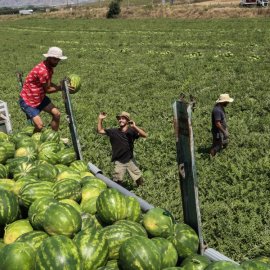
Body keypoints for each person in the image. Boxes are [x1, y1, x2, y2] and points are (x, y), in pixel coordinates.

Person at [19, 47, 68, 132]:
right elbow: (48, 89)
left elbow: (47, 83)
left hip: (39, 98)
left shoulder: (49, 67)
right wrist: (61, 87)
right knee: (39, 126)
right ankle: (34, 141)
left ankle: (53, 136)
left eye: (58, 59)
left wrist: (59, 86)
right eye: (55, 59)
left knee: (57, 114)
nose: (57, 61)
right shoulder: (43, 71)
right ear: (48, 57)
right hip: (28, 101)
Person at [97, 111, 147, 187]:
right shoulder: (114, 132)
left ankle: (143, 190)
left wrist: (135, 127)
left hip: (130, 160)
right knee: (117, 180)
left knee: (138, 177)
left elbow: (145, 135)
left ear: (127, 121)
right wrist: (100, 119)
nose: (120, 120)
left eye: (123, 118)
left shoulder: (132, 131)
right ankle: (117, 192)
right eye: (119, 119)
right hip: (119, 161)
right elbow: (100, 131)